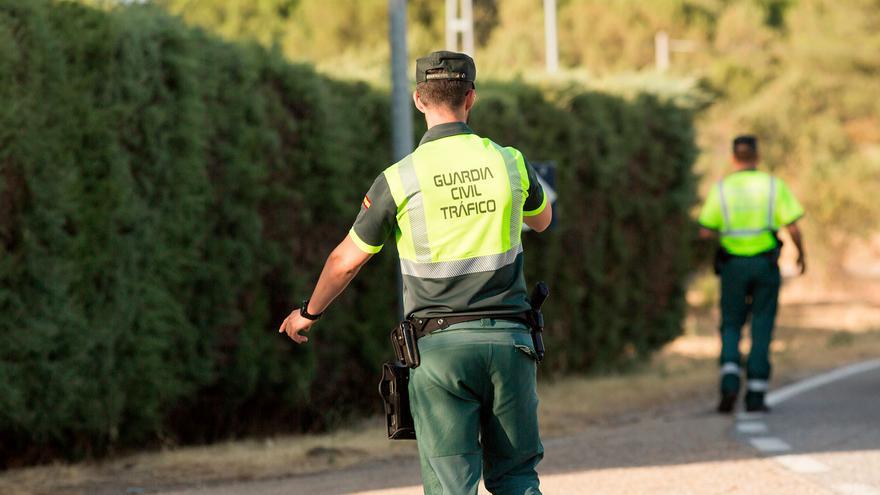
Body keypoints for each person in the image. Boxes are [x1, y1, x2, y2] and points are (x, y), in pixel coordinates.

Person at [278, 50, 552, 495]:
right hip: (510, 343)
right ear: (471, 98)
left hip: (439, 352)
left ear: (418, 99)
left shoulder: (399, 179)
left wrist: (308, 313)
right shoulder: (510, 162)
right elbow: (542, 220)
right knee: (517, 477)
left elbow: (345, 261)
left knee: (449, 486)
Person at [698, 135, 806, 414]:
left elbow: (705, 230)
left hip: (733, 266)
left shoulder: (722, 189)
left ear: (734, 158)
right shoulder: (773, 186)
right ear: (757, 156)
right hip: (764, 265)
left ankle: (730, 380)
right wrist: (801, 254)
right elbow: (792, 226)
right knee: (762, 325)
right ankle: (756, 395)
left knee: (731, 324)